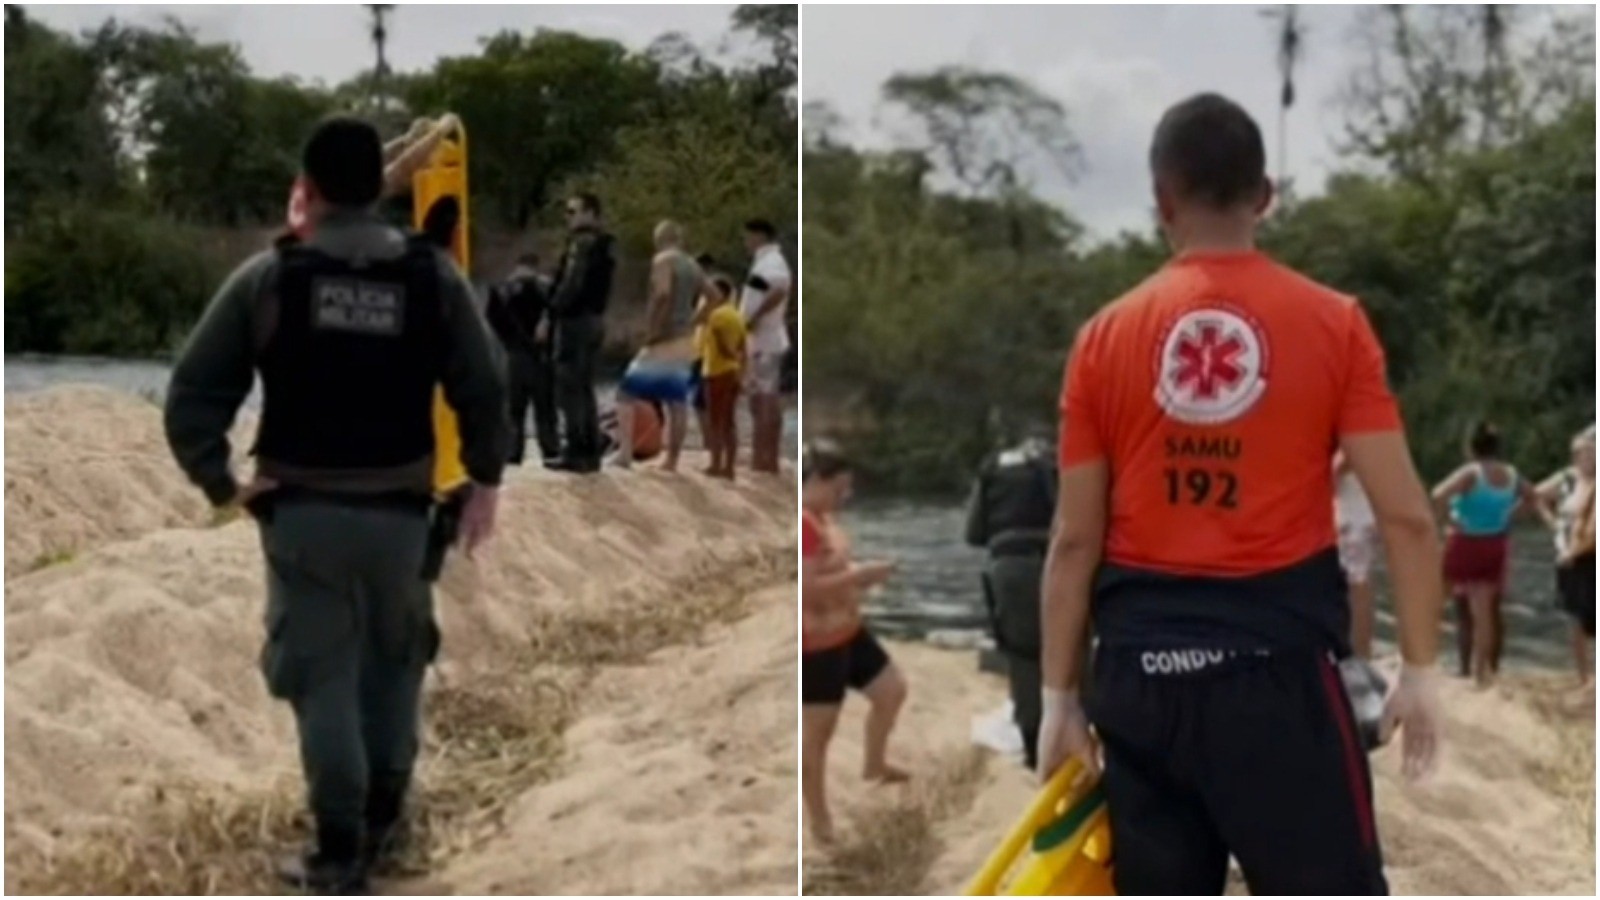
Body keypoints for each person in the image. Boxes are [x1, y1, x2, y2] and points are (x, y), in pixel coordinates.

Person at [1037, 93, 1444, 896]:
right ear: (1265, 196)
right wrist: (1423, 672)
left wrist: (1058, 698)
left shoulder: (1104, 336)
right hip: (1279, 687)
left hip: (1140, 685)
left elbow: (1074, 542)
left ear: (1162, 201)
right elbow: (1406, 518)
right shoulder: (1335, 324)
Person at [164, 116, 508, 893]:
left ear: (309, 190)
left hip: (300, 517)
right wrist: (482, 477)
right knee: (394, 662)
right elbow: (484, 387)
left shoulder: (271, 277)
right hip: (402, 518)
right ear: (379, 190)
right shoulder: (431, 275)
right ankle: (389, 814)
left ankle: (338, 850)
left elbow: (191, 395)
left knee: (320, 675)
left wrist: (224, 484)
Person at [801, 439, 908, 845]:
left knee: (892, 690)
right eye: (837, 489)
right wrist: (859, 576)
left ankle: (874, 764)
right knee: (819, 736)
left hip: (849, 630)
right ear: (815, 480)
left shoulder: (825, 519)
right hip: (818, 645)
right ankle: (819, 820)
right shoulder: (805, 525)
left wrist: (863, 579)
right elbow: (807, 590)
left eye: (847, 490)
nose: (843, 498)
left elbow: (836, 571)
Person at [964, 430, 1057, 769]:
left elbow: (973, 534)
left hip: (1009, 568)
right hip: (1060, 563)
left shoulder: (992, 470)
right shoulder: (1058, 465)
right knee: (1072, 650)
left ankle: (1035, 753)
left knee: (1023, 656)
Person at [1432, 421, 1547, 687]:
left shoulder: (1472, 473)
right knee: (1484, 612)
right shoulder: (1511, 474)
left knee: (1435, 600)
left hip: (1465, 541)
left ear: (1471, 447)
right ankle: (1481, 673)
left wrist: (1447, 520)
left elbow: (1438, 493)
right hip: (1495, 543)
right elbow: (1535, 496)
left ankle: (1423, 659)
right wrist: (1511, 514)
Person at [611, 220, 704, 471]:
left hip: (665, 336)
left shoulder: (663, 260)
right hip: (686, 337)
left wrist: (653, 329)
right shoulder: (692, 264)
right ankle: (672, 460)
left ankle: (626, 452)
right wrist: (694, 320)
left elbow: (662, 294)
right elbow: (714, 296)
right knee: (677, 400)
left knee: (625, 392)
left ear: (659, 238)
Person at [546, 192, 616, 474]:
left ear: (590, 213)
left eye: (572, 211)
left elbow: (573, 282)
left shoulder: (582, 244)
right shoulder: (605, 245)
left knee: (569, 386)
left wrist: (553, 309)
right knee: (585, 387)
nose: (568, 217)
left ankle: (575, 451)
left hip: (575, 320)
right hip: (595, 319)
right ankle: (589, 452)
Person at [487, 254, 559, 464]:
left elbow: (492, 318)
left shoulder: (503, 288)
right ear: (535, 266)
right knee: (545, 408)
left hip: (515, 354)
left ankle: (513, 451)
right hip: (541, 355)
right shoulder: (547, 287)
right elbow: (558, 313)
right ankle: (551, 450)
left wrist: (508, 340)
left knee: (514, 409)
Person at [1539, 425, 1596, 686]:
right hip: (1567, 556)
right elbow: (1537, 496)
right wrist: (1553, 524)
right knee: (1574, 617)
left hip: (1587, 554)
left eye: (1591, 452)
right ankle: (1583, 676)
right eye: (1583, 453)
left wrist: (1573, 551)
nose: (1588, 457)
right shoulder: (1567, 479)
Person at [738, 219, 792, 474]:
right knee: (762, 400)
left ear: (759, 236)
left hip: (765, 339)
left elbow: (778, 291)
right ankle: (765, 458)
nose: (745, 242)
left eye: (748, 237)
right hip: (763, 339)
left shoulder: (771, 263)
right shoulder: (763, 264)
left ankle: (764, 460)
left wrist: (753, 317)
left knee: (764, 401)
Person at [1334, 450, 1380, 659]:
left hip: (1352, 527)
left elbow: (1329, 480)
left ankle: (1360, 653)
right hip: (1361, 524)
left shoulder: (1349, 451)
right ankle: (1362, 651)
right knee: (1361, 589)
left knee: (1357, 590)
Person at [700, 275, 747, 479]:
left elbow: (722, 345)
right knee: (729, 421)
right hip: (733, 372)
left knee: (715, 420)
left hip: (717, 370)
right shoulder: (737, 315)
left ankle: (716, 464)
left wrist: (730, 356)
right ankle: (730, 467)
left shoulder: (716, 316)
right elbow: (744, 347)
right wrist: (741, 370)